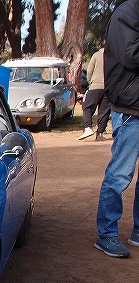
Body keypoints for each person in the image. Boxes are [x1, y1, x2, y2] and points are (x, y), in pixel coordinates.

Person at [94, 0, 139, 258]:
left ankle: (138, 231)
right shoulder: (127, 13)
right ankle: (107, 234)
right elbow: (130, 55)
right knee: (120, 175)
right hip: (130, 110)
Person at [77, 45, 112, 141]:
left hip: (95, 86)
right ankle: (100, 133)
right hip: (109, 87)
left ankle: (88, 127)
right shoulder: (114, 56)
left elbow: (89, 71)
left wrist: (90, 82)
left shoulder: (96, 55)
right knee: (104, 111)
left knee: (87, 107)